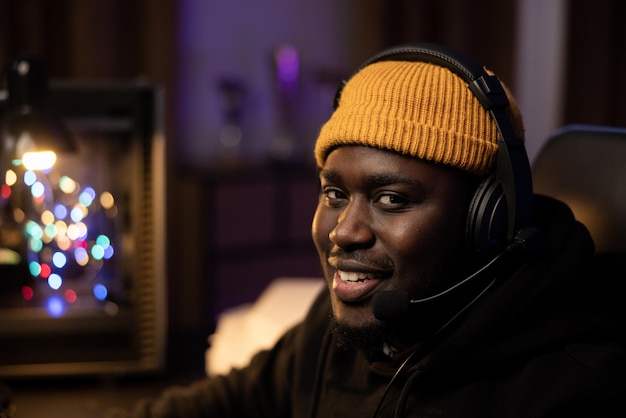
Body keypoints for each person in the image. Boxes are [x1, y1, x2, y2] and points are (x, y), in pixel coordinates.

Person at [107, 42, 626, 417]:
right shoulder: (342, 327)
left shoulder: (571, 391)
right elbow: (231, 401)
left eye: (391, 199)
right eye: (335, 194)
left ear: (486, 221)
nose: (344, 232)